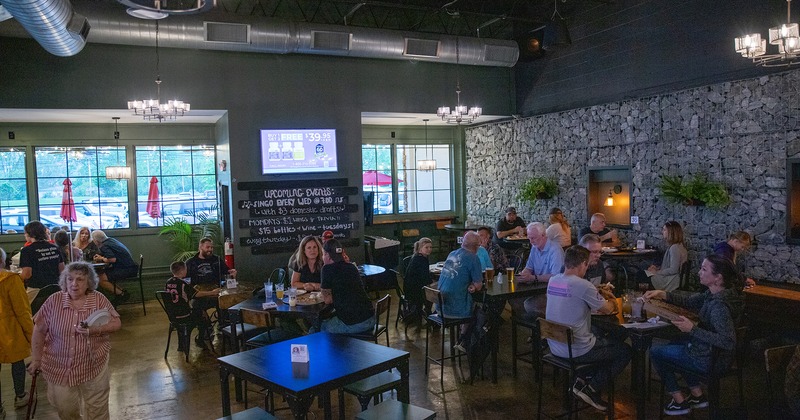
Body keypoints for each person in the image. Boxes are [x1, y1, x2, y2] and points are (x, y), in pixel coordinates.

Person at [645, 254, 744, 416]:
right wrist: (663, 294)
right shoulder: (718, 294)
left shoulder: (719, 306)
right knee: (676, 342)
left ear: (718, 278)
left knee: (656, 352)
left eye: (704, 269)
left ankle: (679, 401)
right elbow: (690, 301)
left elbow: (728, 341)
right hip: (714, 354)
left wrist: (692, 329)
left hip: (711, 360)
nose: (699, 272)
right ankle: (697, 395)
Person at [27, 261, 122, 420]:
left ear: (89, 282)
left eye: (80, 280)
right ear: (64, 281)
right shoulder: (54, 301)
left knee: (98, 409)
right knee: (66, 410)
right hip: (58, 367)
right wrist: (36, 359)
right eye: (70, 279)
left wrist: (95, 330)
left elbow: (116, 323)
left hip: (93, 364)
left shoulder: (98, 299)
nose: (74, 284)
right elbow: (39, 330)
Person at [545, 245, 631, 412]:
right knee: (625, 350)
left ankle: (582, 379)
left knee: (610, 337)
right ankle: (591, 389)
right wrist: (613, 300)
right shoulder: (583, 285)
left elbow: (571, 299)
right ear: (583, 264)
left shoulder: (553, 280)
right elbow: (608, 309)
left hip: (555, 345)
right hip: (575, 349)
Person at [0, 247, 33, 415]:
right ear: (3, 260)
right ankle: (20, 395)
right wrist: (31, 334)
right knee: (18, 362)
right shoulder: (10, 280)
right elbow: (22, 310)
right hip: (10, 329)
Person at [319, 239, 375, 334]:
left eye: (323, 254)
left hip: (354, 324)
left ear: (328, 255)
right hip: (371, 319)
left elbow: (327, 300)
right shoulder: (351, 267)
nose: (322, 257)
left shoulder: (327, 269)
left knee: (318, 327)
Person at [164, 261, 221, 349]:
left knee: (198, 310)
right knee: (203, 315)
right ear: (183, 271)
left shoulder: (168, 282)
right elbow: (197, 294)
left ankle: (181, 346)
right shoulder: (183, 284)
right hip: (185, 316)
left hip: (173, 316)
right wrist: (212, 292)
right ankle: (201, 340)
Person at [437, 231, 483, 319]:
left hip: (440, 307)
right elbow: (478, 286)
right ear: (476, 246)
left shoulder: (452, 254)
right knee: (480, 308)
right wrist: (473, 285)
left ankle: (462, 332)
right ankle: (464, 332)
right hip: (456, 310)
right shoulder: (473, 258)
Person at [641, 221, 687, 292]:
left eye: (664, 230)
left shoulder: (674, 248)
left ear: (671, 232)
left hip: (672, 280)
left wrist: (656, 272)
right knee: (644, 273)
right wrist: (656, 268)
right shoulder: (678, 246)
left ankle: (642, 297)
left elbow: (673, 269)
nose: (662, 232)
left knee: (641, 275)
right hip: (673, 277)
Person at [91, 230, 137, 300]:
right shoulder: (112, 240)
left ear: (96, 241)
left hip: (127, 269)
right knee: (102, 274)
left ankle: (122, 295)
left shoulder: (104, 246)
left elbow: (112, 259)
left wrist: (101, 258)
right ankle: (121, 292)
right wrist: (102, 257)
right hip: (131, 267)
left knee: (100, 279)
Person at [19, 221, 64, 288]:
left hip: (37, 289)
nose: (24, 235)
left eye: (25, 233)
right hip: (56, 287)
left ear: (30, 234)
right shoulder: (55, 248)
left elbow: (27, 274)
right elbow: (62, 269)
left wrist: (17, 278)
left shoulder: (27, 250)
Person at [403, 237, 434, 317]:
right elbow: (425, 278)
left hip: (409, 288)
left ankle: (427, 311)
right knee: (435, 292)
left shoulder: (416, 256)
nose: (429, 249)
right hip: (415, 292)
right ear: (420, 249)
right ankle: (428, 313)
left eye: (430, 247)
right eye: (426, 247)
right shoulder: (422, 260)